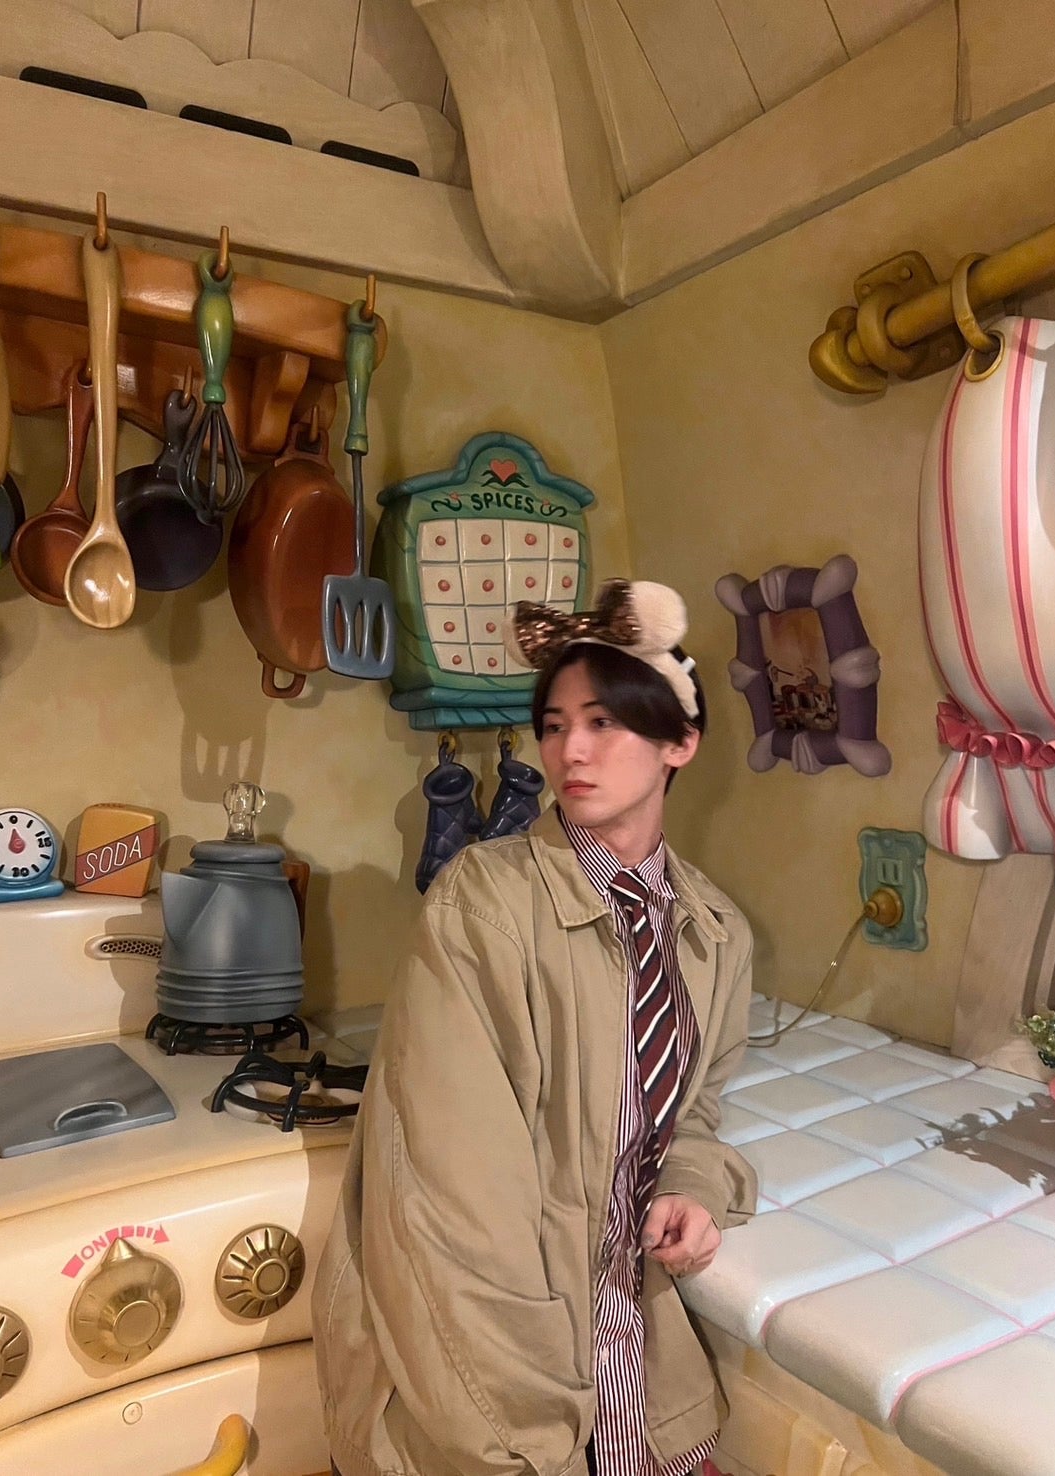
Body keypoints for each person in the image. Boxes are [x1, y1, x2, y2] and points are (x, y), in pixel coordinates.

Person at [313, 578, 757, 1476]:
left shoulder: (715, 932)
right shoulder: (484, 902)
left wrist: (691, 1185)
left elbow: (694, 1109)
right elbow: (454, 1199)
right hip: (493, 1383)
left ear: (680, 742)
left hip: (631, 1349)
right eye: (554, 725)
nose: (569, 751)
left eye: (603, 723)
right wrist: (521, 1432)